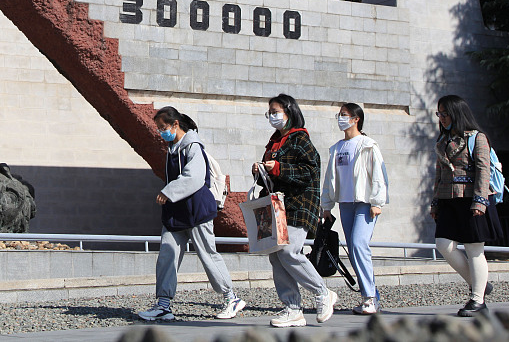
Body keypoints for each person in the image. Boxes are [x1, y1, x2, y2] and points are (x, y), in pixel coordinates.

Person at [137, 106, 247, 322]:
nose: (161, 132)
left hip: (196, 211)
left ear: (175, 124)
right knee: (167, 256)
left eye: (163, 127)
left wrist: (168, 192)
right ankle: (164, 305)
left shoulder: (193, 146)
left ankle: (231, 298)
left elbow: (194, 178)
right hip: (175, 213)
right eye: (159, 128)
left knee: (208, 254)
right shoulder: (172, 147)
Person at [252, 94, 337, 328]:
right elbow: (271, 178)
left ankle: (322, 292)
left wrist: (278, 168)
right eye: (269, 112)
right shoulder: (273, 143)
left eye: (276, 111)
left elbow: (309, 171)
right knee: (275, 253)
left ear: (289, 111)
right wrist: (260, 172)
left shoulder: (300, 139)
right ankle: (292, 308)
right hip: (276, 206)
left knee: (289, 251)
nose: (272, 116)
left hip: (299, 205)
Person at [431, 95, 502, 316]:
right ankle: (480, 284)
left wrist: (480, 201)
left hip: (472, 200)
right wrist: (434, 202)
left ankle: (477, 300)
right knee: (443, 244)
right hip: (448, 200)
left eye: (445, 113)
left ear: (456, 113)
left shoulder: (477, 138)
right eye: (439, 114)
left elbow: (483, 170)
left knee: (474, 249)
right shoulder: (442, 141)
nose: (441, 118)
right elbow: (438, 174)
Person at [320, 102, 388, 315]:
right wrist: (326, 205)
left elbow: (378, 175)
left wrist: (377, 202)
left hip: (365, 204)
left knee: (359, 245)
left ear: (356, 119)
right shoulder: (337, 147)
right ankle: (369, 295)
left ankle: (369, 298)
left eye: (345, 115)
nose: (341, 118)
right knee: (353, 250)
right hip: (346, 204)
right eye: (339, 115)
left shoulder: (367, 144)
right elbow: (330, 179)